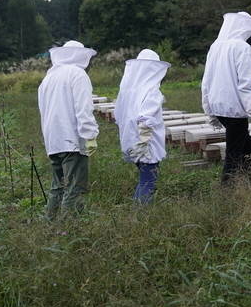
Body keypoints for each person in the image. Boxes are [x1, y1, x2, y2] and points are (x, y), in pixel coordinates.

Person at [38, 40, 99, 219]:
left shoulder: (49, 77)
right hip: (72, 141)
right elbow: (84, 108)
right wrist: (89, 136)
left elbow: (43, 111)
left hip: (53, 141)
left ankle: (50, 223)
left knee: (57, 186)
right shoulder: (77, 74)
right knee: (74, 187)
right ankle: (68, 229)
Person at [201, 12, 251, 183]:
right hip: (235, 109)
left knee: (247, 146)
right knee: (234, 153)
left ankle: (249, 181)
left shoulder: (215, 46)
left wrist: (209, 111)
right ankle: (227, 190)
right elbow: (246, 84)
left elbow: (205, 81)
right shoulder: (241, 47)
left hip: (218, 107)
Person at [114, 49, 170, 204]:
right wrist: (144, 141)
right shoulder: (152, 91)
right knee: (148, 181)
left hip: (131, 142)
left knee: (144, 179)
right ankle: (141, 215)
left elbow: (118, 115)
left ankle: (137, 211)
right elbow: (146, 118)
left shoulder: (126, 91)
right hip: (146, 145)